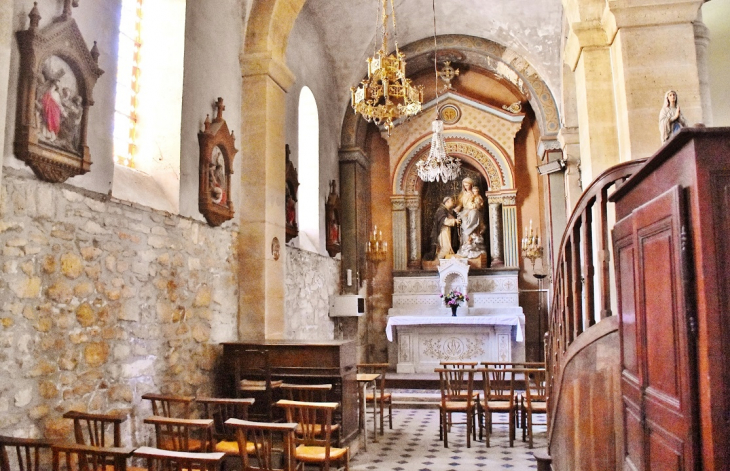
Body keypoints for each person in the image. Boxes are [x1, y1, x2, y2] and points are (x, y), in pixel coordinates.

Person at [456, 185, 487, 258]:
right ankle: (467, 236)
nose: (475, 193)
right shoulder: (471, 197)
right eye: (474, 191)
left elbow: (479, 205)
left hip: (475, 211)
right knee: (464, 218)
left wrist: (474, 206)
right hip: (470, 210)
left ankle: (470, 231)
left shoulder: (479, 198)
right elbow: (468, 204)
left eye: (476, 191)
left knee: (474, 213)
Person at [425, 196, 460, 260]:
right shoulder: (441, 210)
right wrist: (454, 221)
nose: (453, 202)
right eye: (452, 201)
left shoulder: (447, 210)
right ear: (447, 202)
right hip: (442, 231)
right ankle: (437, 263)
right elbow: (445, 221)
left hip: (446, 231)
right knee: (445, 248)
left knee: (448, 249)